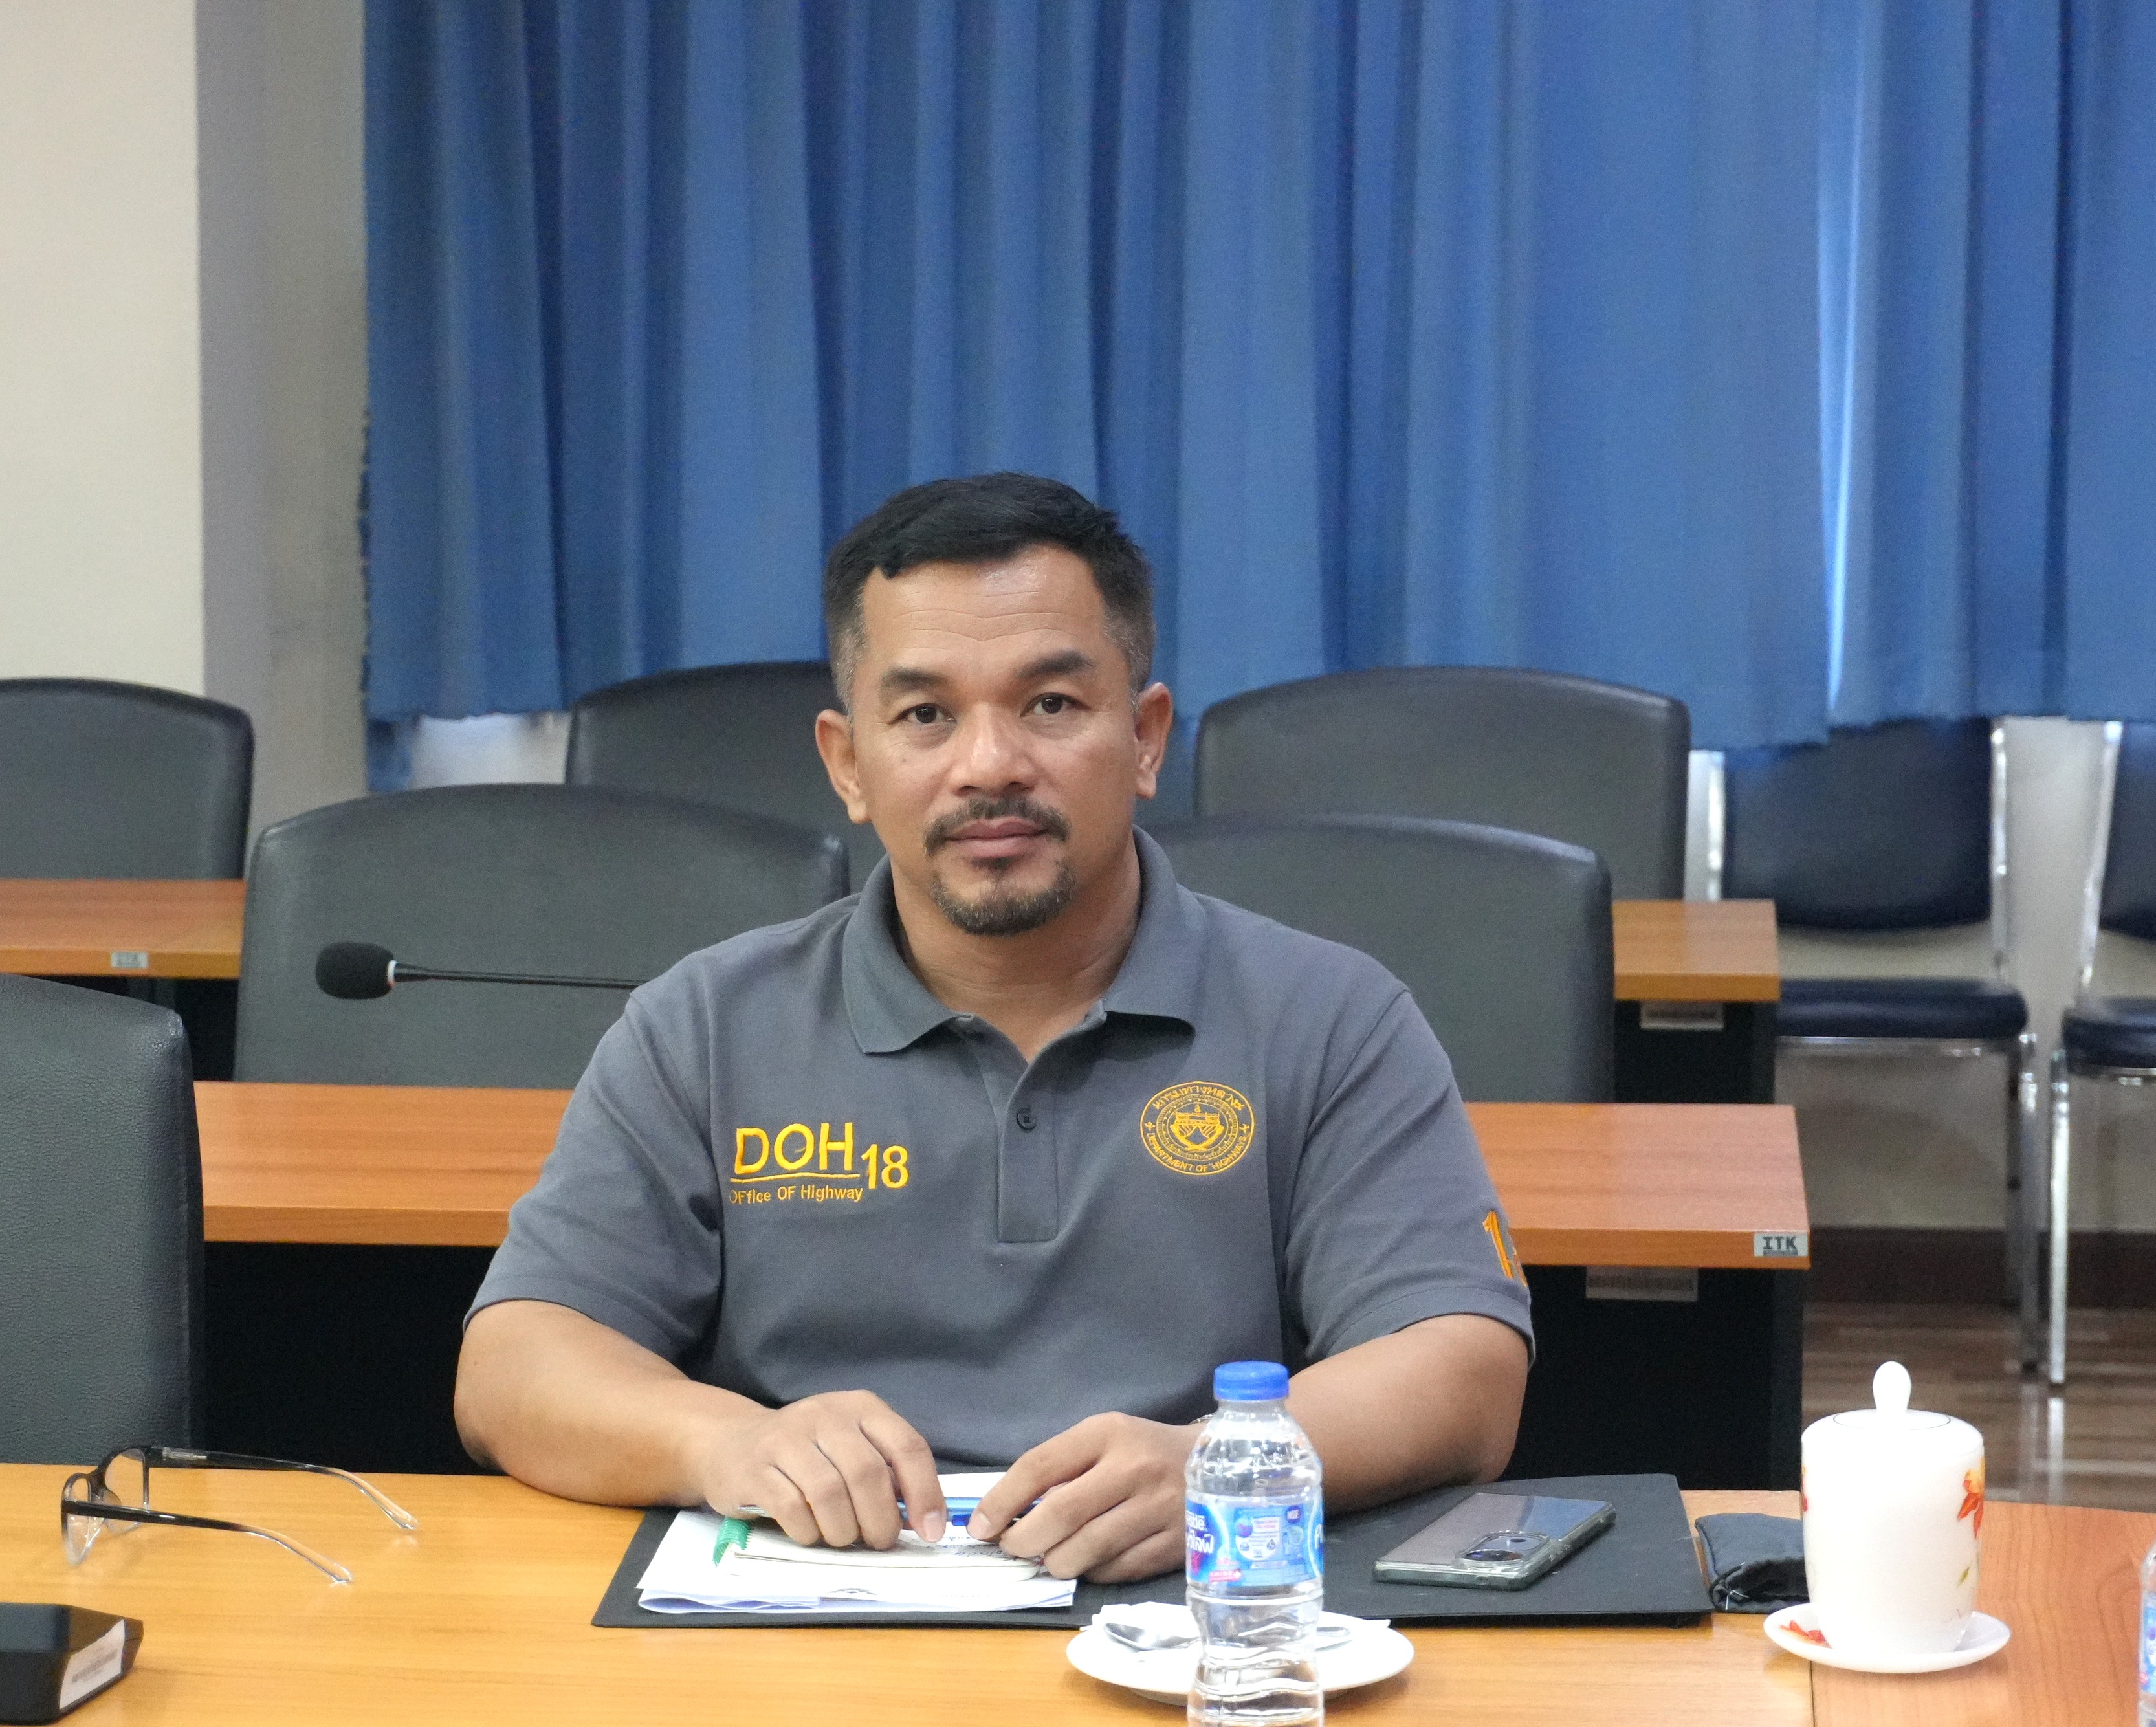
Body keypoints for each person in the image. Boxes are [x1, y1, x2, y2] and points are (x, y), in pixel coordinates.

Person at [455, 472, 1532, 1582]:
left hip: (1191, 1613)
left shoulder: (1331, 1015)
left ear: (1146, 738)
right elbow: (514, 1363)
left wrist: (1224, 1465)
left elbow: (1464, 1363)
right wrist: (724, 1441)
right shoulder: (704, 1025)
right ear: (847, 763)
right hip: (803, 1624)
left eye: (1050, 705)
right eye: (925, 715)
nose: (989, 766)